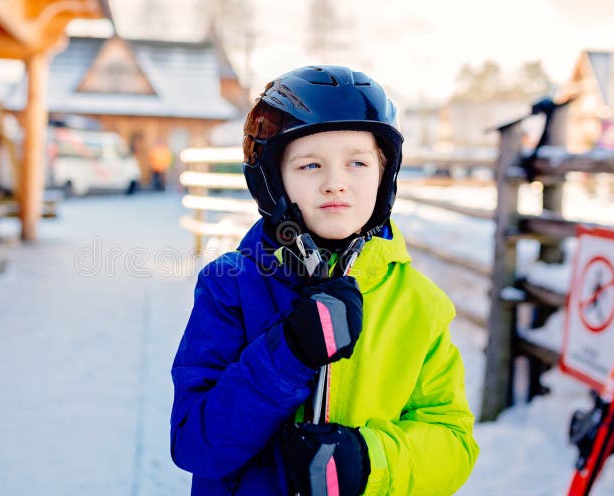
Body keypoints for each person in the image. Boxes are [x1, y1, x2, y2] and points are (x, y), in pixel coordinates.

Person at [170, 66, 479, 495]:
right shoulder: (231, 287)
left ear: (383, 174)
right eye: (310, 164)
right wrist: (287, 354)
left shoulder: (418, 304)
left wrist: (370, 461)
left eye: (357, 162)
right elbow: (195, 444)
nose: (336, 183)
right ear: (273, 182)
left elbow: (453, 440)